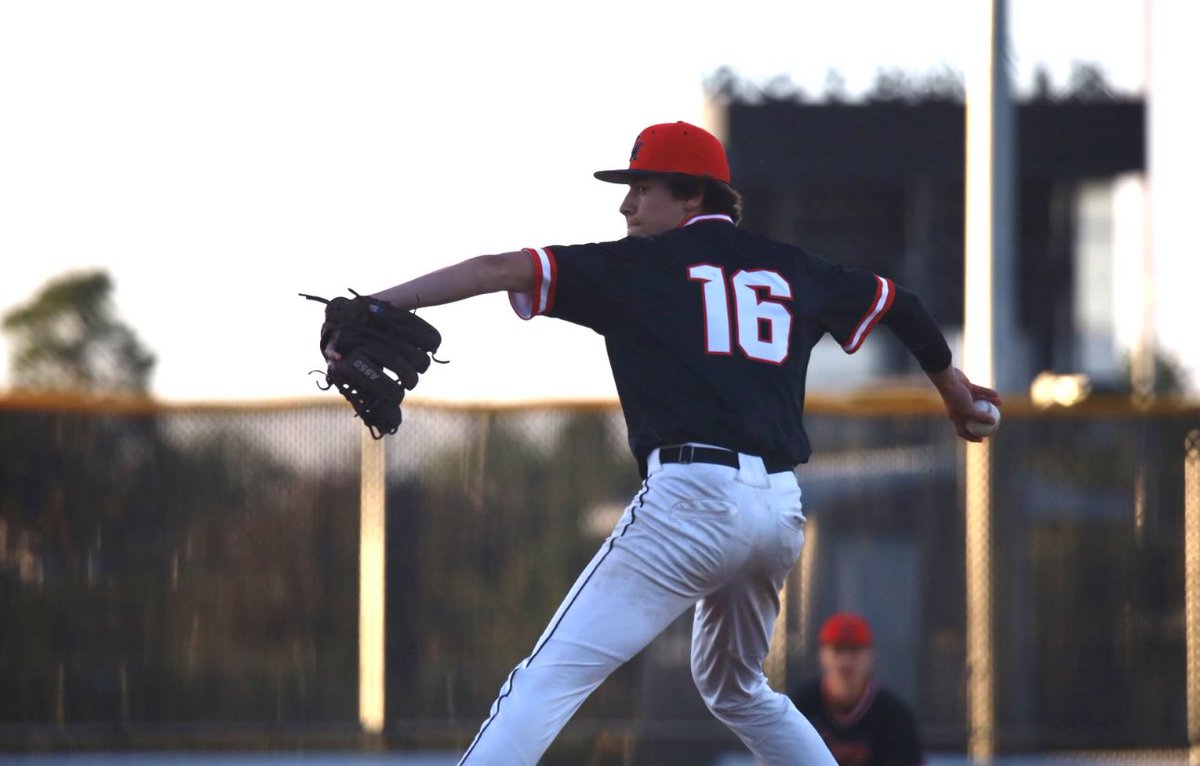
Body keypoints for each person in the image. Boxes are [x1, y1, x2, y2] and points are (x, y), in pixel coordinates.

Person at [339, 121, 1000, 765]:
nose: (626, 204)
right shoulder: (794, 268)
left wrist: (380, 305)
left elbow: (499, 266)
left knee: (546, 679)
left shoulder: (641, 265)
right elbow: (902, 304)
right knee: (736, 687)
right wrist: (955, 393)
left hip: (692, 501)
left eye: (642, 187)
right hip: (778, 510)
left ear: (692, 196)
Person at [789, 613, 925, 766]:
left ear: (870, 656)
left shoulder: (895, 716)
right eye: (837, 649)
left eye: (854, 651)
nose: (845, 660)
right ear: (822, 655)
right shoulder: (800, 707)